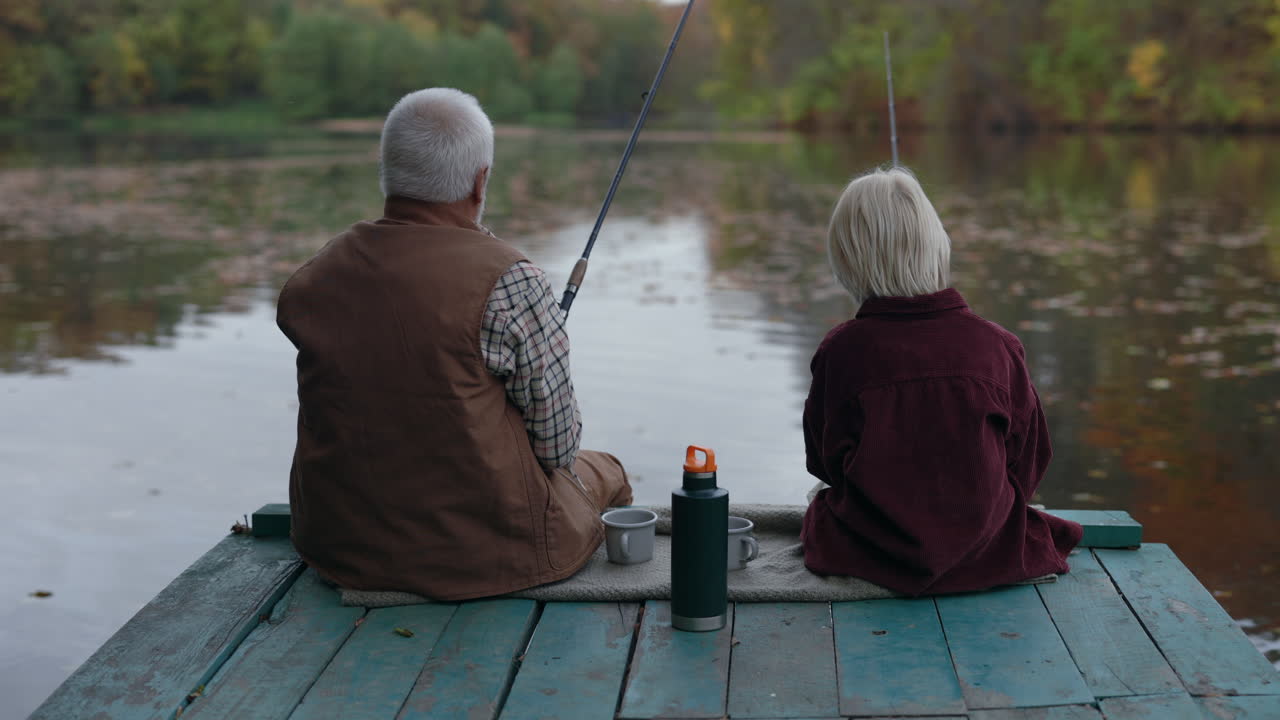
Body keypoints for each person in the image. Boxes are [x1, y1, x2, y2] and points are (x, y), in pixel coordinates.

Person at [277, 88, 632, 601]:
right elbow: (557, 448)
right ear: (480, 179)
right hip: (485, 555)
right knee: (608, 471)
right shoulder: (511, 280)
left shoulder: (315, 276)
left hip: (337, 546)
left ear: (389, 171)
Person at [801, 166, 1082, 595]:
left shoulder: (842, 351)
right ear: (935, 245)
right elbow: (1030, 459)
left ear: (847, 257)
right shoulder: (997, 345)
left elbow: (824, 462)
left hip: (871, 553)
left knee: (819, 503)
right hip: (987, 552)